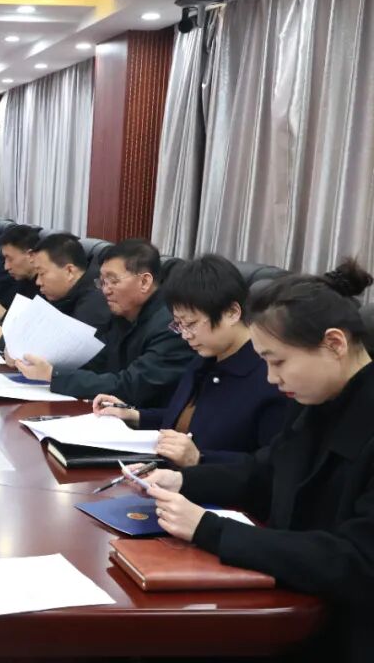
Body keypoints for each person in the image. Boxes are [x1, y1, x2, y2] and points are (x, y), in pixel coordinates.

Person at [136, 261, 374, 662]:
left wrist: (209, 529)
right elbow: (264, 472)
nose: (270, 378)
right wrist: (183, 481)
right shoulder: (315, 400)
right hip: (292, 598)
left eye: (278, 362)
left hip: (345, 630)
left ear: (334, 343)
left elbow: (356, 561)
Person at [93, 255, 292, 466]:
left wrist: (199, 459)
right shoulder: (205, 359)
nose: (185, 335)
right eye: (178, 324)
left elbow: (270, 466)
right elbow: (187, 420)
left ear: (232, 313)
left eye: (191, 324)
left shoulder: (270, 377)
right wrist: (134, 415)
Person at [12, 239, 195, 407]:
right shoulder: (123, 315)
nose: (105, 290)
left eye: (113, 281)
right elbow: (94, 361)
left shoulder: (171, 327)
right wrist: (39, 363)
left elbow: (129, 387)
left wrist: (53, 375)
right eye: (102, 282)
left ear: (145, 282)